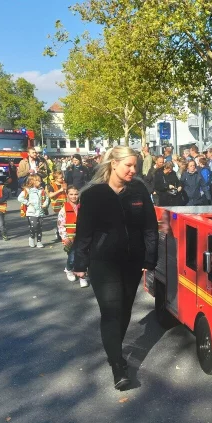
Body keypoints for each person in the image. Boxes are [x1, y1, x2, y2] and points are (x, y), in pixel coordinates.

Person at [73, 146, 158, 390]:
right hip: (103, 262)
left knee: (124, 310)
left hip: (132, 261)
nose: (133, 170)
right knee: (111, 310)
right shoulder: (93, 194)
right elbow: (84, 232)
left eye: (136, 166)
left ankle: (114, 349)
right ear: (113, 164)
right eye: (128, 165)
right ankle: (118, 365)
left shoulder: (139, 190)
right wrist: (80, 262)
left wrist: (149, 259)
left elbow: (150, 227)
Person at [58, 185, 88, 287]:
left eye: (76, 194)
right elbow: (61, 225)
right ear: (67, 195)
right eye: (71, 194)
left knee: (83, 257)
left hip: (83, 237)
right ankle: (68, 269)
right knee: (72, 258)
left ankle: (82, 277)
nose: (74, 196)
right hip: (70, 239)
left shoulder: (83, 206)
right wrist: (65, 237)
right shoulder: (64, 209)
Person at [18, 174, 50, 248]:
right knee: (34, 226)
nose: (40, 182)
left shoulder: (42, 190)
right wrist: (28, 203)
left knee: (39, 227)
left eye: (40, 180)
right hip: (31, 212)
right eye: (38, 180)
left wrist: (45, 204)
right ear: (32, 181)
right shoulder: (27, 190)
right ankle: (32, 237)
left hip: (40, 211)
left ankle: (39, 241)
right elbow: (20, 198)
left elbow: (47, 198)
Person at [47, 170, 68, 241]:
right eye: (60, 178)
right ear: (56, 178)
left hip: (65, 203)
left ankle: (64, 232)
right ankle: (58, 232)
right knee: (59, 219)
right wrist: (60, 190)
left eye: (62, 177)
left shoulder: (64, 183)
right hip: (57, 204)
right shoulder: (52, 185)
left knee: (65, 219)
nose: (62, 179)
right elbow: (50, 195)